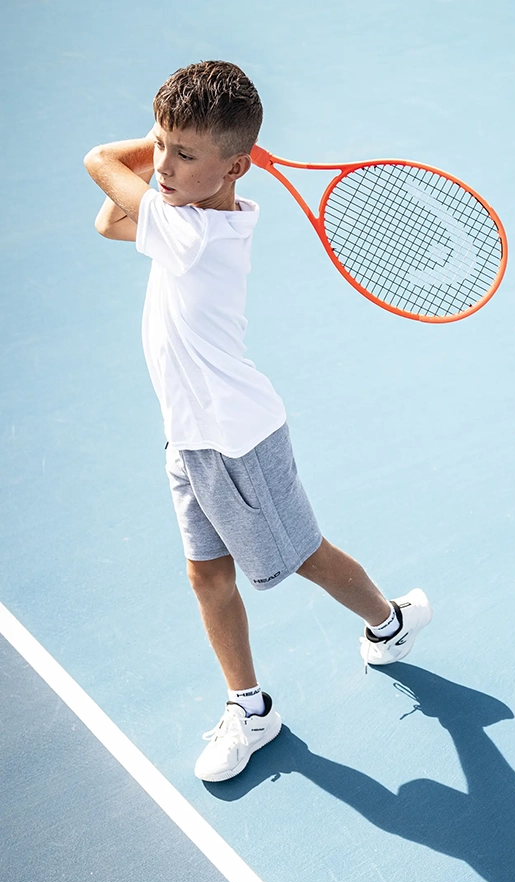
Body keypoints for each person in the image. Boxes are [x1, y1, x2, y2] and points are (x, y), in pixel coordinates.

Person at [83, 60, 432, 782]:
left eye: (184, 153)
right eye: (162, 145)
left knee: (305, 556)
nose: (165, 165)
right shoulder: (188, 217)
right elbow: (108, 219)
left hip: (238, 440)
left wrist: (144, 153)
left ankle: (390, 621)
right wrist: (175, 147)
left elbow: (98, 167)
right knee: (206, 577)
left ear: (237, 164)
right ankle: (251, 707)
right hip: (189, 437)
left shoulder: (194, 237)